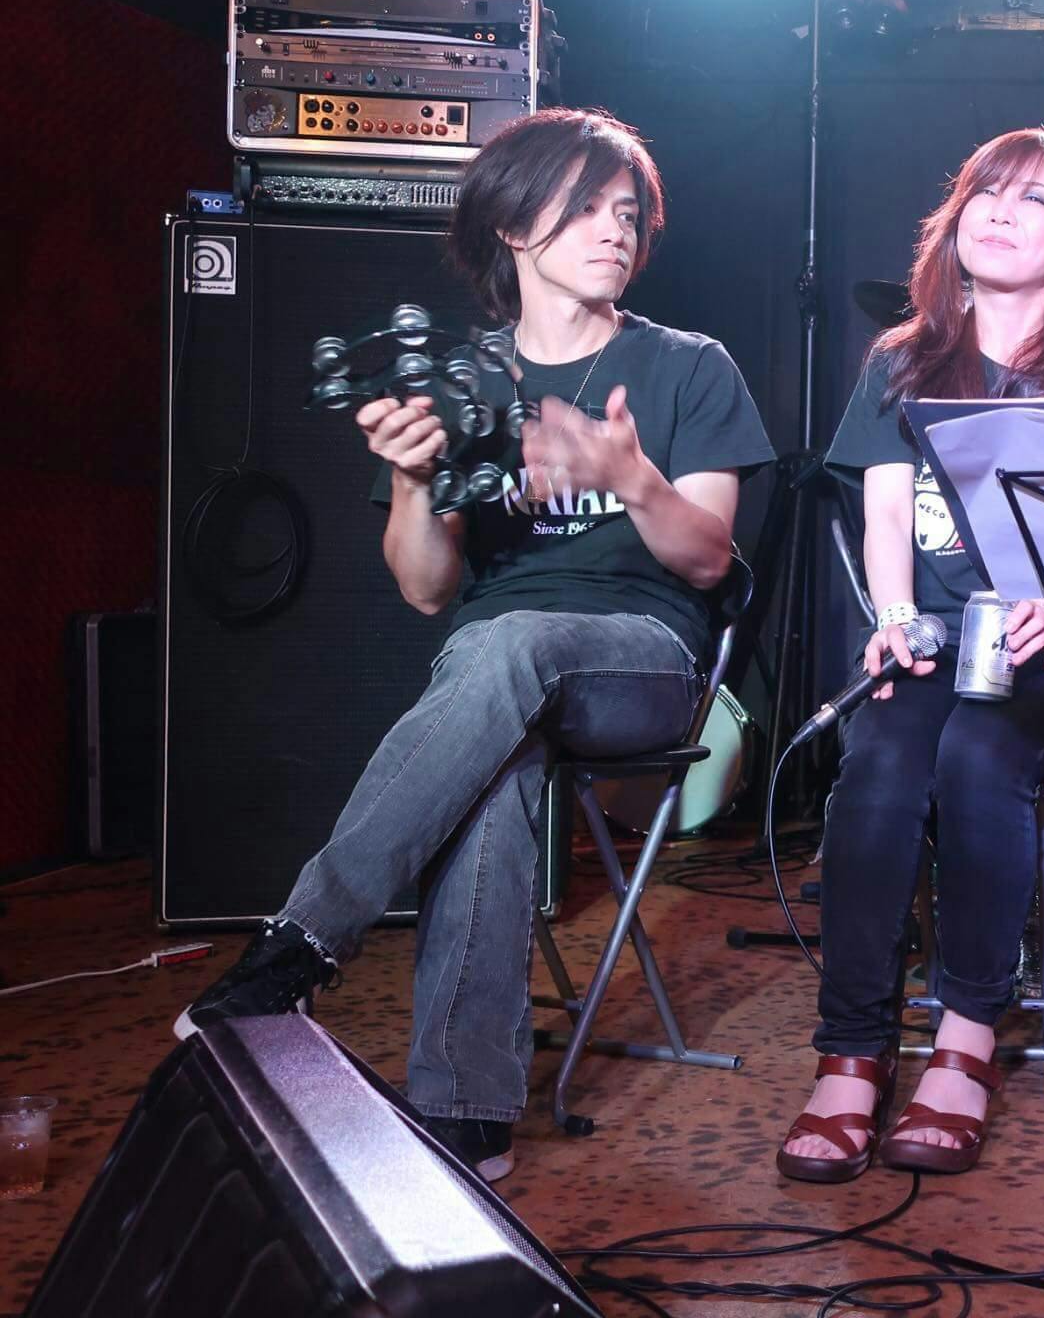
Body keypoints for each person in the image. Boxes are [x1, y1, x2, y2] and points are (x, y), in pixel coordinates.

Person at [175, 109, 776, 1182]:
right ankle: (465, 1117)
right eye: (586, 207)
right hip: (497, 678)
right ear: (511, 223)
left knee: (509, 645)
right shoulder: (459, 379)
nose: (615, 229)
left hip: (642, 661)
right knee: (496, 738)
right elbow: (424, 587)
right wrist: (414, 481)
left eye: (628, 212)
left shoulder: (688, 366)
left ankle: (299, 944)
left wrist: (630, 477)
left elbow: (707, 562)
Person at [778, 127, 1044, 1183]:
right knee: (880, 763)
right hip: (940, 643)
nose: (999, 211)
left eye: (1034, 200)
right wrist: (895, 615)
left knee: (981, 755)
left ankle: (966, 1040)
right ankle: (852, 1050)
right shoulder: (901, 361)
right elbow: (884, 514)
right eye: (987, 191)